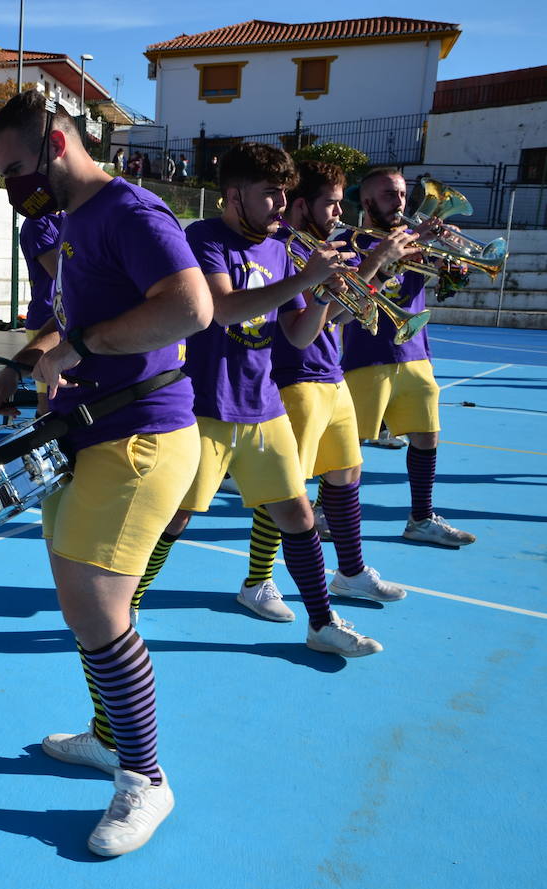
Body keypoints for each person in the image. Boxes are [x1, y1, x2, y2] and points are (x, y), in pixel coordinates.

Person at [0, 90, 212, 856]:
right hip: (92, 435)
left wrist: (76, 351)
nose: (13, 187)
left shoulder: (131, 213)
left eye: (16, 169)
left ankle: (145, 779)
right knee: (90, 610)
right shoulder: (76, 222)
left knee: (98, 610)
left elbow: (190, 307)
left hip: (143, 438)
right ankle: (114, 740)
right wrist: (30, 362)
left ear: (55, 142)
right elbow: (72, 324)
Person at [128, 143, 383, 656]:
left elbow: (300, 334)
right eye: (270, 193)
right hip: (205, 406)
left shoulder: (280, 247)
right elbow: (221, 309)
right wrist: (307, 278)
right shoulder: (202, 237)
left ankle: (322, 622)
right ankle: (125, 603)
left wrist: (328, 296)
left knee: (298, 515)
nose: (280, 203)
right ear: (233, 195)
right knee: (176, 517)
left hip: (264, 404)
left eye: (284, 193)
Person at [234, 159, 406, 618]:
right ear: (304, 203)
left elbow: (338, 317)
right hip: (296, 380)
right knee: (285, 490)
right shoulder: (284, 250)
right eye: (330, 203)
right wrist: (370, 263)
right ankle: (257, 580)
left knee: (346, 474)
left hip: (332, 374)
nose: (338, 212)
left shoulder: (324, 247)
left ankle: (350, 572)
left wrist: (375, 273)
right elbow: (299, 328)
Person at [340, 167, 475, 547]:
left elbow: (451, 283)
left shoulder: (416, 240)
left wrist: (451, 256)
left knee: (427, 437)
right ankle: (324, 510)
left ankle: (421, 517)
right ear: (366, 202)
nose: (400, 202)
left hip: (415, 352)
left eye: (401, 194)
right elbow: (348, 294)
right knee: (348, 445)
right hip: (367, 356)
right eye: (388, 195)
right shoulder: (350, 241)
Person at [19, 210, 65, 414]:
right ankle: (44, 440)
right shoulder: (37, 224)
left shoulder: (71, 219)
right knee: (48, 399)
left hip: (68, 315)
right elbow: (59, 271)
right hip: (46, 317)